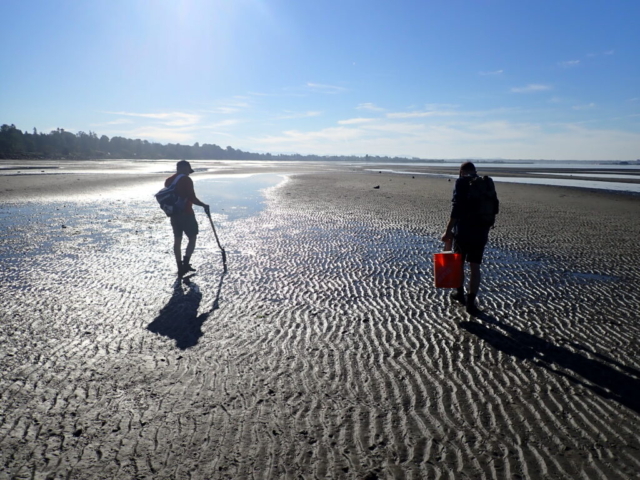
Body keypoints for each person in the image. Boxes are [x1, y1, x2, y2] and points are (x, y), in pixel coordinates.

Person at [441, 162, 498, 314]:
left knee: (458, 263)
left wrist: (447, 231)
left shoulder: (461, 182)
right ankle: (471, 302)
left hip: (464, 231)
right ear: (475, 171)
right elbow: (495, 207)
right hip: (481, 231)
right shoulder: (486, 183)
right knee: (475, 266)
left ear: (461, 171)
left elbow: (456, 208)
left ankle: (460, 294)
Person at [165, 160, 210, 276]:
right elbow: (192, 198)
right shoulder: (186, 180)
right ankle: (186, 263)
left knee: (177, 240)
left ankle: (180, 266)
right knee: (192, 237)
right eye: (188, 170)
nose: (189, 173)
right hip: (186, 213)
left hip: (173, 214)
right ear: (185, 168)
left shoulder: (169, 180)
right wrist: (204, 205)